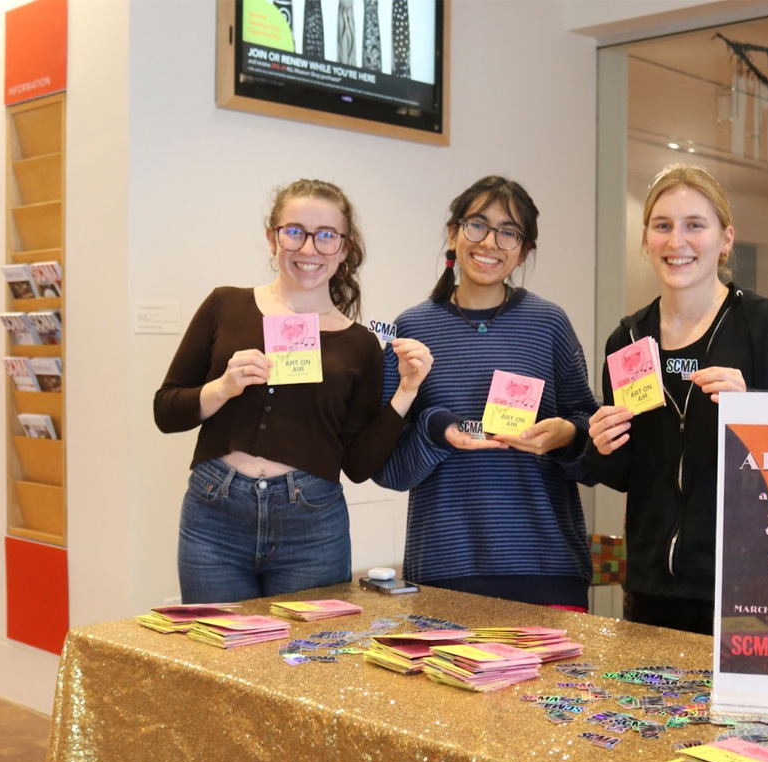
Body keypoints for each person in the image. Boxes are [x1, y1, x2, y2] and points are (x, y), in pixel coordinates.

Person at [154, 178, 432, 603]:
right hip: (214, 514)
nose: (308, 249)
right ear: (272, 237)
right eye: (295, 231)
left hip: (313, 524)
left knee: (305, 661)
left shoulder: (360, 344)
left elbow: (357, 465)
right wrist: (223, 387)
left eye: (326, 236)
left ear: (344, 248)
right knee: (215, 658)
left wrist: (406, 392)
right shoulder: (225, 305)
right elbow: (166, 411)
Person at [585, 164, 768, 635]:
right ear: (646, 240)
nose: (677, 241)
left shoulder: (765, 325)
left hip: (750, 586)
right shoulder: (629, 339)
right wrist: (601, 445)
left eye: (695, 225)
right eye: (663, 226)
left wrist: (753, 404)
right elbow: (622, 474)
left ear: (725, 239)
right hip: (653, 588)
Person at [373, 176, 599, 610]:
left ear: (523, 251)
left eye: (508, 232)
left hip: (546, 564)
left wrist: (567, 435)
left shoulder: (549, 323)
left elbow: (590, 445)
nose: (490, 242)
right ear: (453, 234)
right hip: (443, 567)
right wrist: (435, 430)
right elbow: (388, 469)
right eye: (477, 225)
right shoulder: (412, 329)